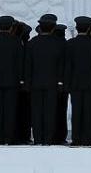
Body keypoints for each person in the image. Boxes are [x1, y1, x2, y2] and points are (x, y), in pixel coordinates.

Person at [25, 13, 64, 145]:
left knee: (36, 112)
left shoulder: (32, 44)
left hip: (35, 83)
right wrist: (60, 82)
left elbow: (27, 66)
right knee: (50, 112)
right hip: (52, 83)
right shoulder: (59, 44)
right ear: (53, 28)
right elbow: (61, 66)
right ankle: (48, 139)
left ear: (40, 27)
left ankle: (38, 138)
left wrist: (27, 83)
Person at [0, 15, 24, 145]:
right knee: (10, 111)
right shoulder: (16, 41)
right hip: (12, 81)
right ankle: (9, 137)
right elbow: (20, 62)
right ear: (11, 26)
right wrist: (20, 79)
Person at [64, 16, 91, 146]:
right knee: (88, 112)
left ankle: (76, 138)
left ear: (77, 28)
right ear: (89, 29)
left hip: (75, 83)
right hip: (90, 83)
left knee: (76, 111)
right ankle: (87, 138)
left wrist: (67, 83)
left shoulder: (70, 44)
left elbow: (68, 66)